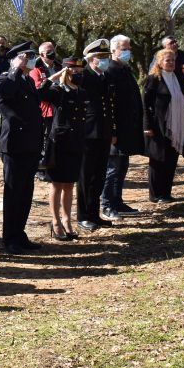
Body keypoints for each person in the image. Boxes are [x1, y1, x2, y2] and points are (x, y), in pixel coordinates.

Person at [0, 42, 44, 255]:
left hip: (30, 144)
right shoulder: (4, 79)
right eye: (26, 56)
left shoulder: (27, 81)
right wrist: (14, 68)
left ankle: (20, 232)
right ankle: (10, 237)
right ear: (15, 59)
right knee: (13, 193)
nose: (30, 59)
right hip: (14, 145)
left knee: (26, 192)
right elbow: (5, 94)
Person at [39, 58, 88, 240]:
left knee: (69, 184)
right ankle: (55, 221)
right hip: (59, 143)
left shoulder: (81, 92)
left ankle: (67, 220)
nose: (78, 74)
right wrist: (56, 77)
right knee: (57, 184)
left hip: (76, 142)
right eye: (74, 71)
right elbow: (40, 93)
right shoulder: (57, 91)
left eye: (80, 71)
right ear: (67, 72)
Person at [100, 34, 144, 221]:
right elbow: (109, 105)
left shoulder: (124, 69)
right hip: (115, 131)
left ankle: (117, 201)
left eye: (128, 49)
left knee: (122, 165)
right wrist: (113, 130)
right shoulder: (110, 71)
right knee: (112, 168)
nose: (127, 52)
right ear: (113, 50)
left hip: (128, 129)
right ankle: (107, 204)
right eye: (124, 49)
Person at [77, 40, 117, 232]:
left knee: (99, 175)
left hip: (103, 132)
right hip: (87, 132)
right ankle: (83, 216)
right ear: (91, 59)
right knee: (86, 176)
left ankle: (94, 214)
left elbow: (108, 106)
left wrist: (113, 131)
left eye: (106, 57)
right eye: (101, 58)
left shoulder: (105, 76)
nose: (104, 60)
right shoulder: (83, 75)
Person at [143, 49, 184, 202]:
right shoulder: (153, 79)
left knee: (171, 159)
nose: (171, 63)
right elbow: (145, 104)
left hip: (177, 126)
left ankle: (166, 193)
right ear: (160, 62)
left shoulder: (179, 79)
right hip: (159, 126)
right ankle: (155, 194)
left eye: (173, 60)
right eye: (167, 60)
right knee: (158, 160)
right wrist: (147, 126)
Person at [160, 36, 184, 156]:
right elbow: (154, 73)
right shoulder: (159, 57)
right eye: (172, 43)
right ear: (164, 46)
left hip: (181, 92)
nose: (175, 44)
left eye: (175, 42)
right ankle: (170, 146)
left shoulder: (183, 56)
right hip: (166, 94)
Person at [30, 42, 63, 181]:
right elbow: (38, 90)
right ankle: (41, 168)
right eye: (49, 51)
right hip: (44, 110)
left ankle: (54, 165)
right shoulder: (36, 70)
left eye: (53, 49)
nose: (52, 52)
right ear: (42, 54)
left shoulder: (59, 67)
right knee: (44, 140)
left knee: (56, 139)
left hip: (59, 108)